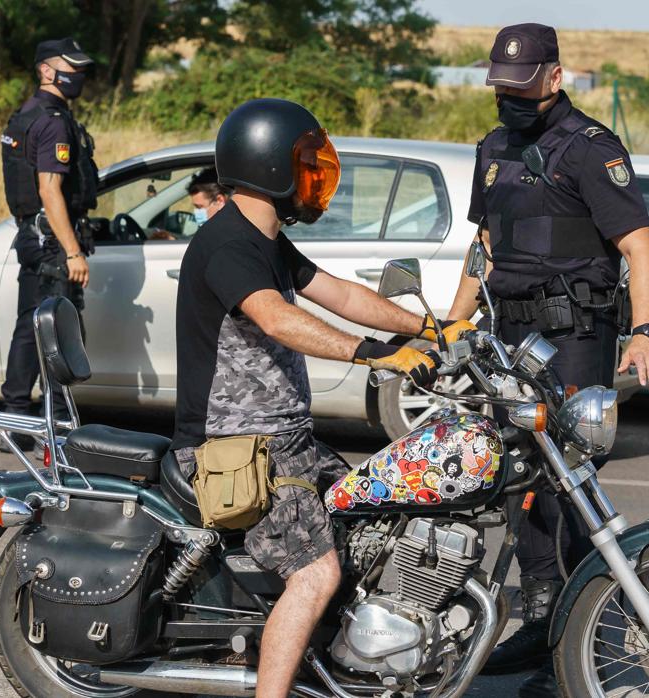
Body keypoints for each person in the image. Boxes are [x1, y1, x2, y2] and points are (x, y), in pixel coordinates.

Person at [170, 97, 472, 698]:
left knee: (383, 515)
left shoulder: (265, 239)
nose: (317, 178)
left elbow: (338, 293)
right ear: (269, 168)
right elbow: (278, 318)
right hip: (234, 449)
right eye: (308, 165)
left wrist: (427, 329)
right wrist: (372, 354)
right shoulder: (226, 243)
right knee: (315, 572)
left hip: (284, 440)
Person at [444, 23, 649, 696]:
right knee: (520, 481)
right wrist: (451, 323)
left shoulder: (590, 149)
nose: (509, 98)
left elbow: (640, 248)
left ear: (555, 77)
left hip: (574, 337)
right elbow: (484, 244)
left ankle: (581, 639)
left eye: (521, 86)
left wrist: (647, 331)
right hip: (506, 339)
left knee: (569, 483)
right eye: (500, 87)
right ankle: (542, 618)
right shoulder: (492, 148)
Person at [0, 37, 99, 453]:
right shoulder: (53, 120)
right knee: (57, 328)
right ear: (45, 70)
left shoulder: (26, 115)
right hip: (52, 237)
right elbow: (50, 188)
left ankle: (17, 417)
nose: (78, 75)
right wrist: (72, 250)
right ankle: (56, 422)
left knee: (30, 325)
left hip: (33, 233)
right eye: (69, 66)